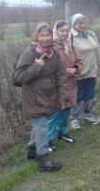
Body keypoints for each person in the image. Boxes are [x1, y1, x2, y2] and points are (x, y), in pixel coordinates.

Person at [13, 23, 70, 172]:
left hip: (48, 97)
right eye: (42, 35)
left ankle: (32, 150)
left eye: (48, 35)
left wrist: (63, 97)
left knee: (39, 126)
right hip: (33, 97)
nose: (45, 38)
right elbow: (18, 77)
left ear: (52, 36)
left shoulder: (53, 53)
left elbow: (62, 76)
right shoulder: (29, 52)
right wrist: (36, 66)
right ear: (37, 36)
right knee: (42, 127)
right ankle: (43, 159)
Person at [47, 21, 84, 145]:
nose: (65, 33)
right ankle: (48, 141)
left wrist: (76, 68)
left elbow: (80, 61)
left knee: (66, 112)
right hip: (57, 87)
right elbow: (48, 68)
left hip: (71, 85)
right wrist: (65, 71)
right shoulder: (51, 47)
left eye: (67, 31)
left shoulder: (70, 45)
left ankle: (62, 133)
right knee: (55, 114)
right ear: (56, 32)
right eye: (62, 31)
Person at [69, 13, 100, 129]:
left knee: (90, 94)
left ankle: (87, 114)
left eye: (83, 23)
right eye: (79, 23)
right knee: (78, 96)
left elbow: (97, 51)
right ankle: (74, 119)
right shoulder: (70, 37)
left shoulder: (91, 34)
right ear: (73, 24)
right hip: (79, 73)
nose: (82, 25)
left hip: (92, 70)